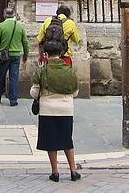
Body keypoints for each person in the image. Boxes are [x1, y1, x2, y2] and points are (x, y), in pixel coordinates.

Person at [30, 40, 81, 182]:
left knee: (51, 141)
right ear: (61, 53)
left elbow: (34, 93)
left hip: (48, 109)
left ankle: (55, 171)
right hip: (66, 109)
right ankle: (73, 170)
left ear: (46, 54)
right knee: (67, 140)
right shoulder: (69, 70)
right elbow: (75, 92)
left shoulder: (42, 72)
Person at [0, 7, 29, 106]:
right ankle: (13, 99)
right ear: (14, 15)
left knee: (1, 76)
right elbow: (25, 42)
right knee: (14, 78)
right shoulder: (19, 27)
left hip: (4, 55)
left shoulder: (1, 26)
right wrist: (25, 55)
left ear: (4, 15)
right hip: (16, 55)